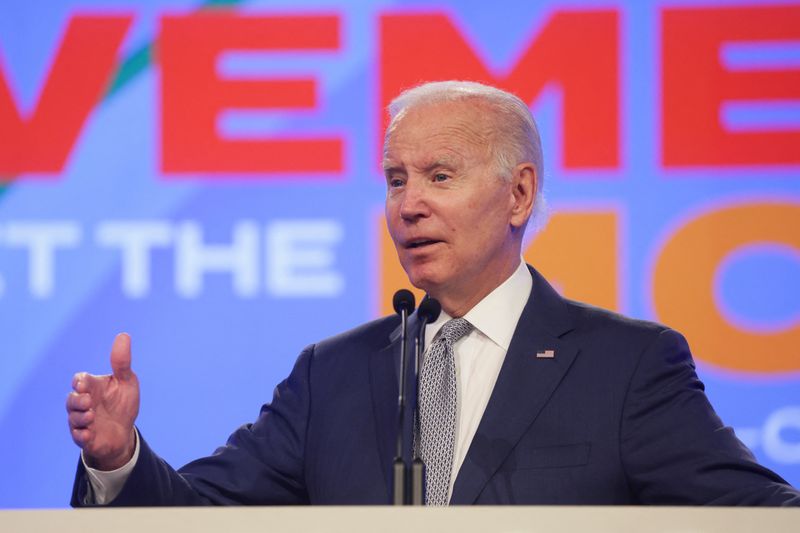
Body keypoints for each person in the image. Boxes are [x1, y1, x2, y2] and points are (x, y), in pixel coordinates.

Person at [67, 80, 800, 506]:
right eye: (395, 179)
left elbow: (761, 515)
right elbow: (200, 515)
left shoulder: (628, 367)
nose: (407, 203)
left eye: (439, 176)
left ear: (519, 194)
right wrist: (117, 454)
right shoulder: (332, 375)